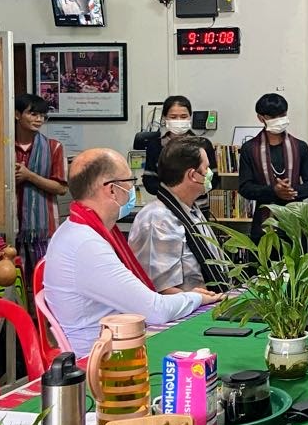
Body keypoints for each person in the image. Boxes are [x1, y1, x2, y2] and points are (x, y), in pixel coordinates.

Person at [43, 148, 220, 356]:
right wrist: (195, 298)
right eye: (130, 181)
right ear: (111, 190)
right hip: (101, 357)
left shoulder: (81, 229)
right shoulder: (86, 244)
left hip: (118, 339)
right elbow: (155, 310)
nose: (132, 189)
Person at [129, 137, 230, 294]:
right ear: (192, 175)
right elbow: (159, 288)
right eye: (207, 169)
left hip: (208, 304)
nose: (211, 174)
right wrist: (203, 299)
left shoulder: (191, 210)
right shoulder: (158, 218)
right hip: (186, 313)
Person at [238, 93, 308, 243]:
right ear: (261, 118)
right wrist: (273, 191)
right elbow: (245, 187)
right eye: (273, 117)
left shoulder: (300, 147)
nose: (279, 120)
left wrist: (291, 192)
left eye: (282, 115)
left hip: (295, 226)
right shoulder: (250, 148)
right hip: (263, 226)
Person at [13, 94, 68, 308]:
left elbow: (61, 188)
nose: (38, 120)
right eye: (33, 113)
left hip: (43, 232)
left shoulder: (54, 147)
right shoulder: (3, 147)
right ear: (17, 115)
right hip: (10, 228)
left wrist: (29, 176)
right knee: (12, 284)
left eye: (42, 116)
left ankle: (43, 331)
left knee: (44, 286)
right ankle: (14, 333)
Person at [142, 95, 219, 208]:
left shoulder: (203, 144)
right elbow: (149, 181)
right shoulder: (155, 146)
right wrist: (175, 192)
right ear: (164, 117)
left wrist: (191, 190)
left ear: (190, 117)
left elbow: (213, 179)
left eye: (183, 116)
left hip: (198, 207)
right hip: (167, 207)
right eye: (173, 117)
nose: (179, 120)